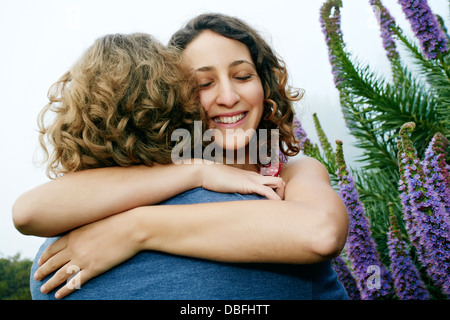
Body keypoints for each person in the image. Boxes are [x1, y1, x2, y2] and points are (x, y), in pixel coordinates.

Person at [13, 13, 349, 300]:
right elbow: (29, 211)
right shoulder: (163, 176)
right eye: (204, 83)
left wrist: (136, 229)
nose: (229, 96)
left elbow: (320, 233)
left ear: (266, 86)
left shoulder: (294, 173)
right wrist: (196, 172)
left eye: (243, 76)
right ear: (176, 97)